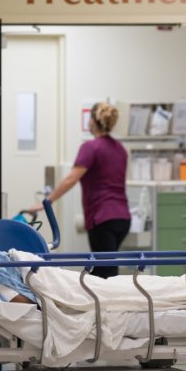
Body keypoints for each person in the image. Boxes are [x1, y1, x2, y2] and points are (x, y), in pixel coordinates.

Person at [28, 102, 131, 278]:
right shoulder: (120, 149)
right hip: (122, 218)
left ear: (92, 121)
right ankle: (104, 302)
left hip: (103, 217)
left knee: (104, 272)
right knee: (105, 268)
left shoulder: (91, 147)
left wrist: (47, 201)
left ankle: (104, 304)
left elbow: (71, 178)